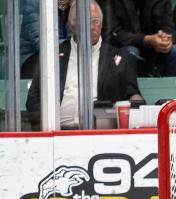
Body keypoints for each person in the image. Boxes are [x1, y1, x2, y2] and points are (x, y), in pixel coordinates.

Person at [26, 0, 143, 130]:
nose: (92, 27)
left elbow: (133, 96)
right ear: (72, 25)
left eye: (95, 21)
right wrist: (45, 130)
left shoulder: (120, 59)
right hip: (57, 132)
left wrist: (135, 99)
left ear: (101, 24)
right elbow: (33, 98)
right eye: (86, 21)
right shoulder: (52, 56)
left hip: (102, 134)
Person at [107, 0, 176, 77]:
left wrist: (165, 39)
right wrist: (146, 40)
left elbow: (169, 26)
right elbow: (113, 34)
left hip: (155, 51)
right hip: (121, 50)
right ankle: (130, 92)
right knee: (130, 52)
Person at [20, 0, 73, 79]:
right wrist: (67, 49)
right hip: (33, 55)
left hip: (64, 53)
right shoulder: (34, 2)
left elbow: (75, 36)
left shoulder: (75, 4)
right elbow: (39, 40)